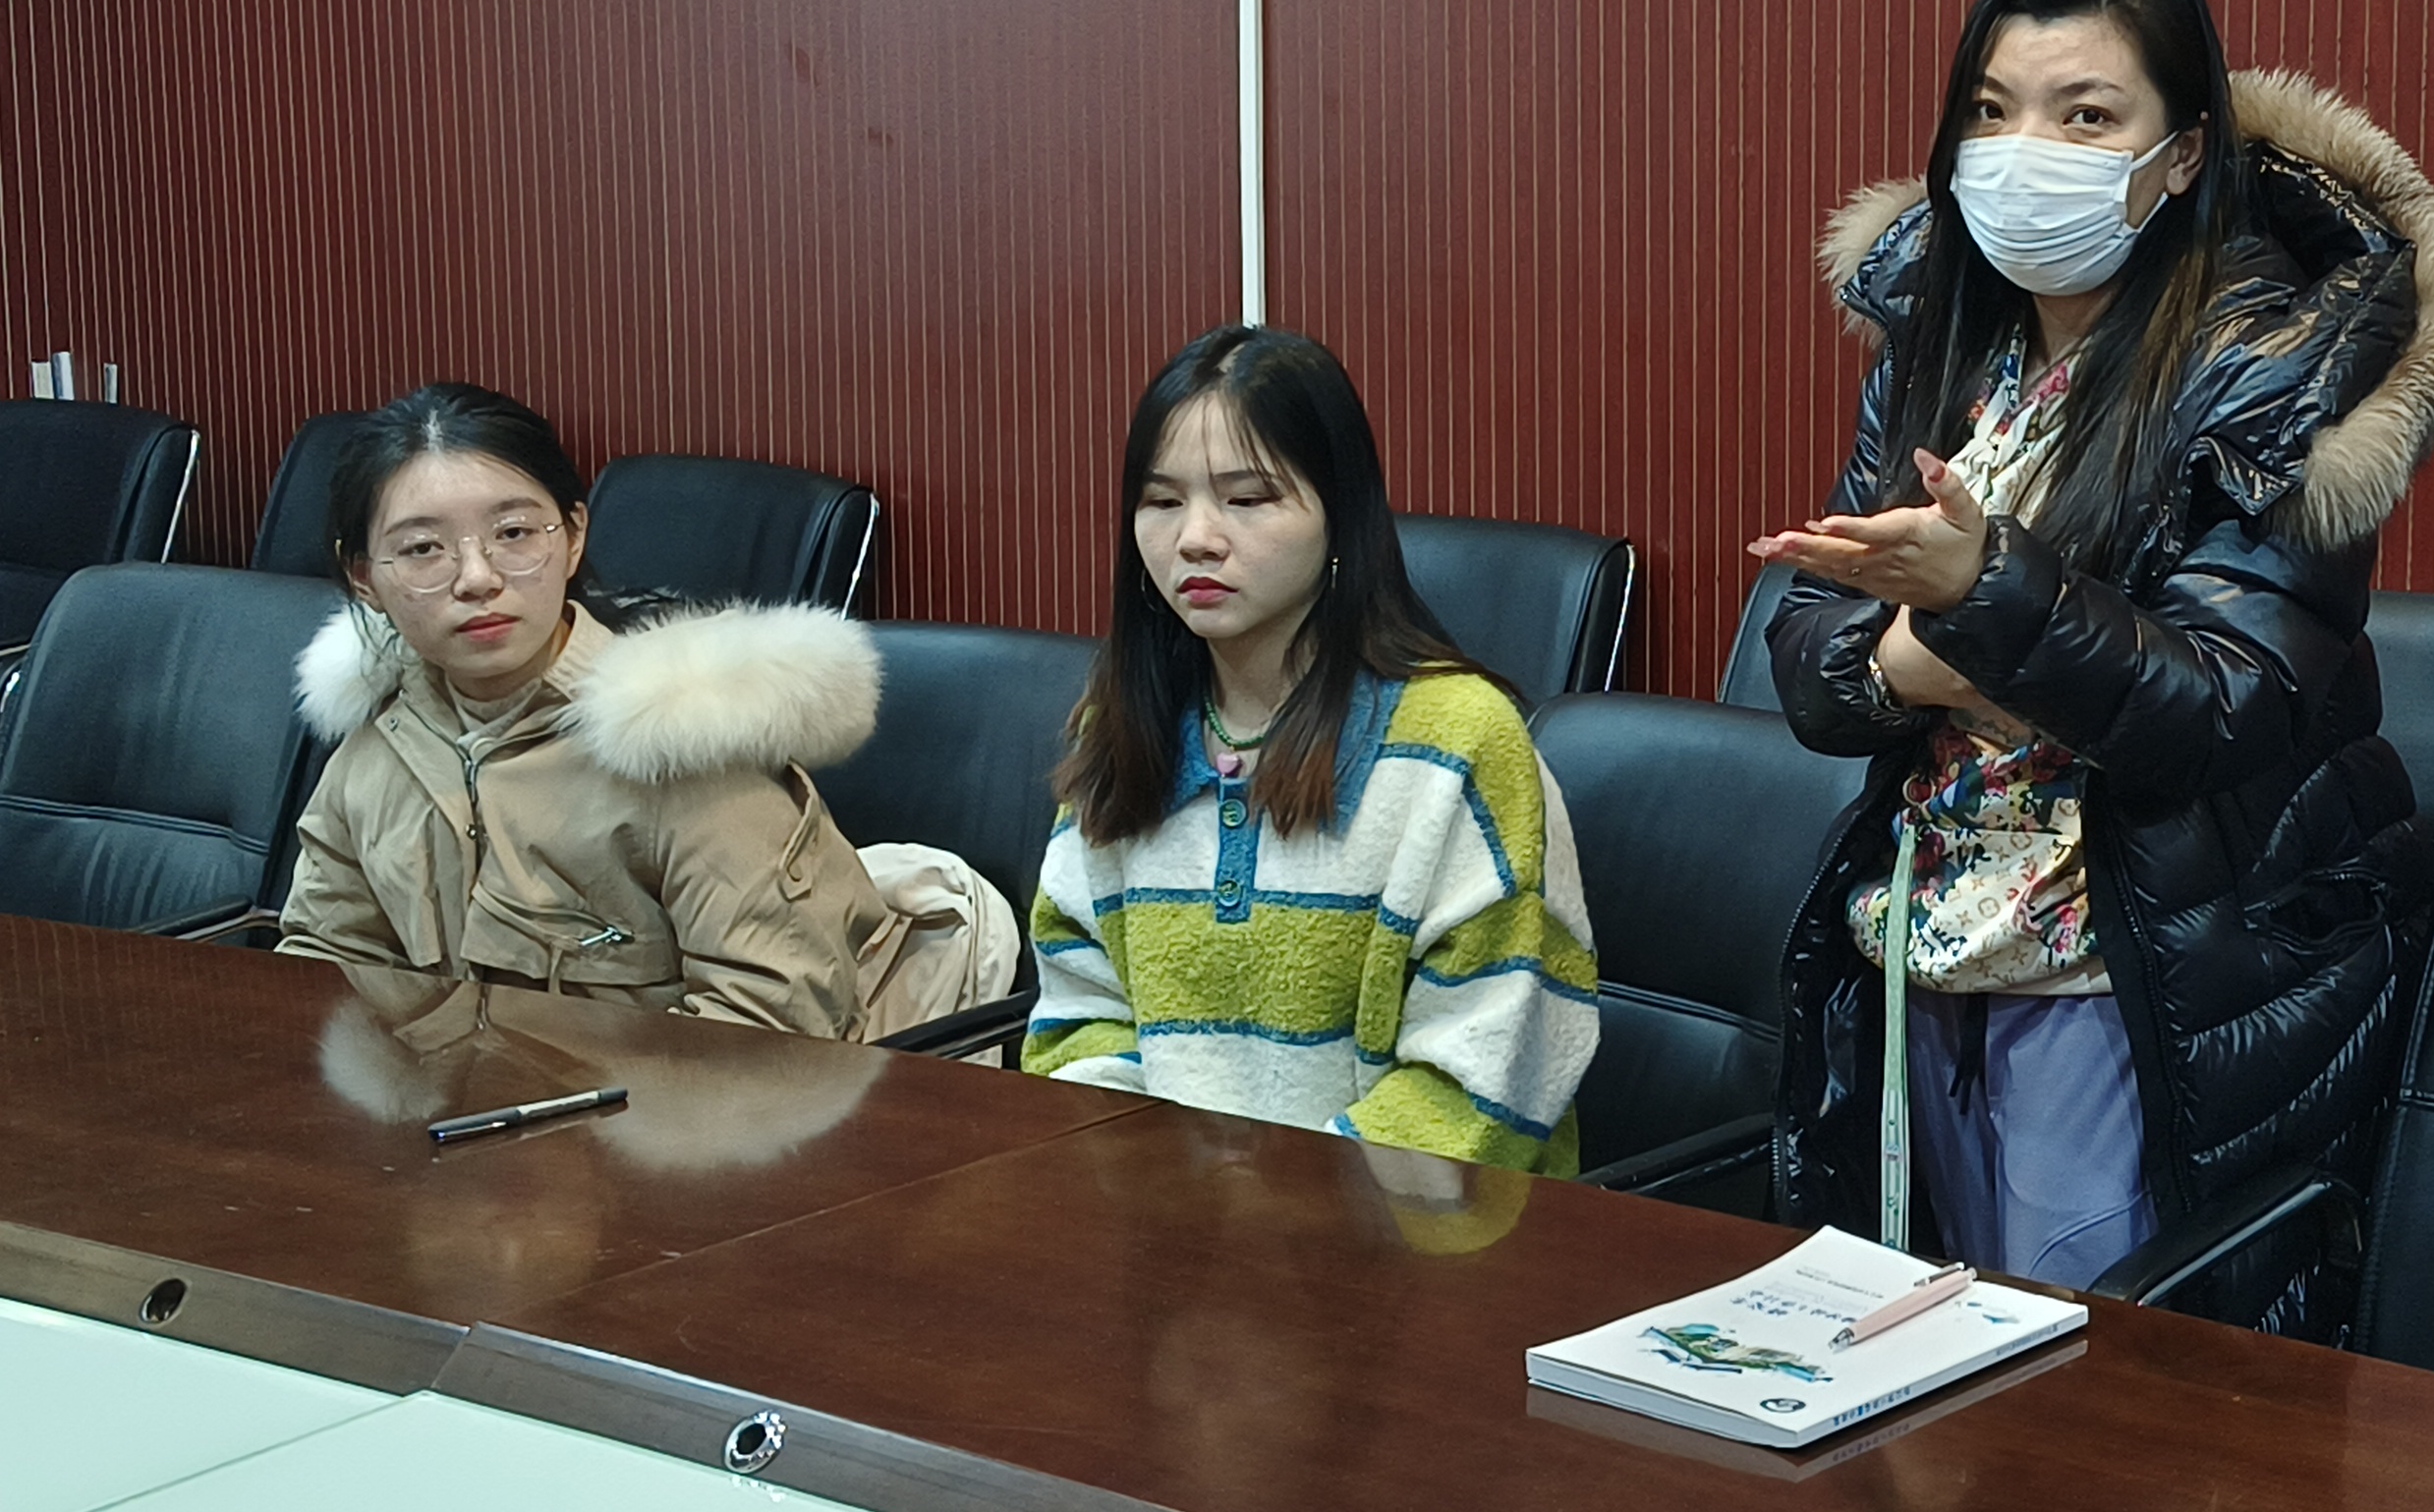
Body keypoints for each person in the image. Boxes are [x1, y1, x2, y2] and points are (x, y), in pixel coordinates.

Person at [1748, 0, 2434, 1297]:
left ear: (2184, 151)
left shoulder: (2277, 357)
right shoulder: (1941, 331)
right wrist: (1933, 650)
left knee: (2077, 1375)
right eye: (1991, 111)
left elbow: (2218, 704)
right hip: (1931, 936)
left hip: (2147, 964)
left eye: (2085, 116)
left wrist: (1970, 601)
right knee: (1931, 1373)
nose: (2021, 152)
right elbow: (1807, 656)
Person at [1023, 326, 1598, 1171]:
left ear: (1339, 514)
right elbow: (1080, 1016)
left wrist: (1279, 1219)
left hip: (1414, 1236)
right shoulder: (1120, 727)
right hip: (1162, 1232)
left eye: (1248, 498)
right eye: (1162, 501)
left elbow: (1485, 1080)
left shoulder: (1459, 744)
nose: (1196, 538)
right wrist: (1146, 1194)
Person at [279, 384, 919, 1036]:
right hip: (441, 1094)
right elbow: (324, 965)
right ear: (364, 578)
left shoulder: (680, 739)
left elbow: (770, 1025)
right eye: (422, 549)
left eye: (514, 534)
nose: (477, 578)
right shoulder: (381, 738)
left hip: (662, 1098)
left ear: (574, 536)